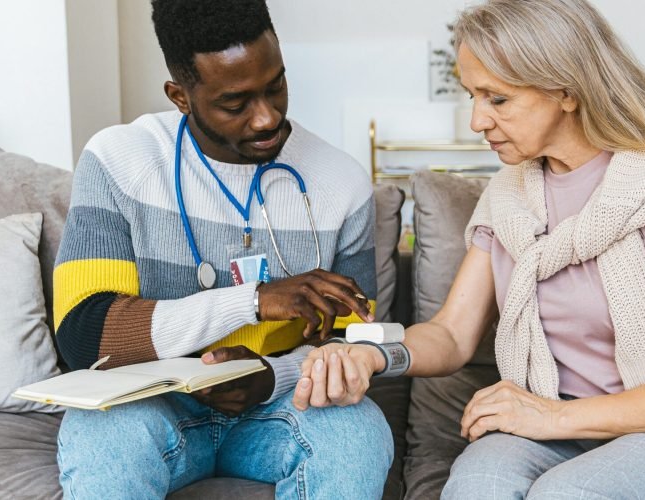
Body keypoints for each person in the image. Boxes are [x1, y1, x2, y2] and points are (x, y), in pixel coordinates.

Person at [291, 0, 645, 498]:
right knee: (474, 489)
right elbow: (451, 334)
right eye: (472, 95)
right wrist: (371, 355)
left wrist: (555, 415)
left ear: (566, 91)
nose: (476, 120)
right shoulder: (509, 195)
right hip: (555, 426)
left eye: (497, 99)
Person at [52, 0, 392, 498]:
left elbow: (357, 345)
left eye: (276, 85)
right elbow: (84, 334)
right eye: (235, 104)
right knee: (103, 435)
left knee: (356, 429)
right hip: (150, 407)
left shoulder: (340, 181)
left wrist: (270, 375)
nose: (266, 118)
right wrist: (252, 301)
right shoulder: (118, 161)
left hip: (279, 409)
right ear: (181, 96)